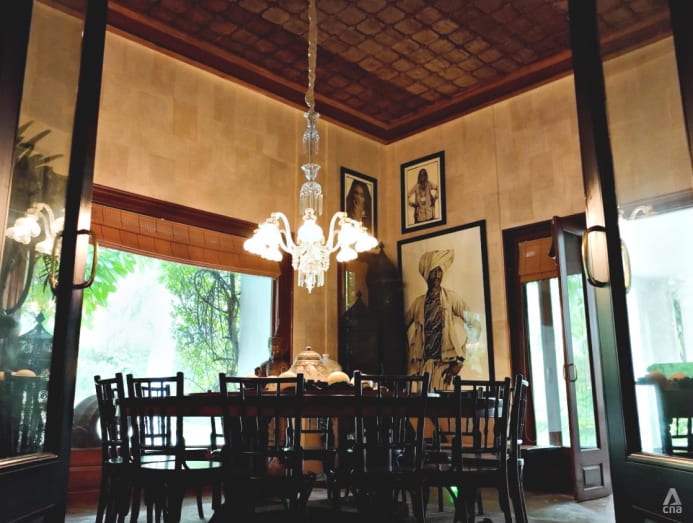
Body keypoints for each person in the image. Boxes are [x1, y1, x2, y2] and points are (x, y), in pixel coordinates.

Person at [404, 249, 480, 390]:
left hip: (446, 369)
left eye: (439, 270)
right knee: (423, 404)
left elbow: (475, 324)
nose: (436, 275)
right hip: (423, 369)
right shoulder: (418, 304)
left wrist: (460, 361)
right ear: (426, 273)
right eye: (433, 271)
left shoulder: (451, 298)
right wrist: (412, 356)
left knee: (445, 403)